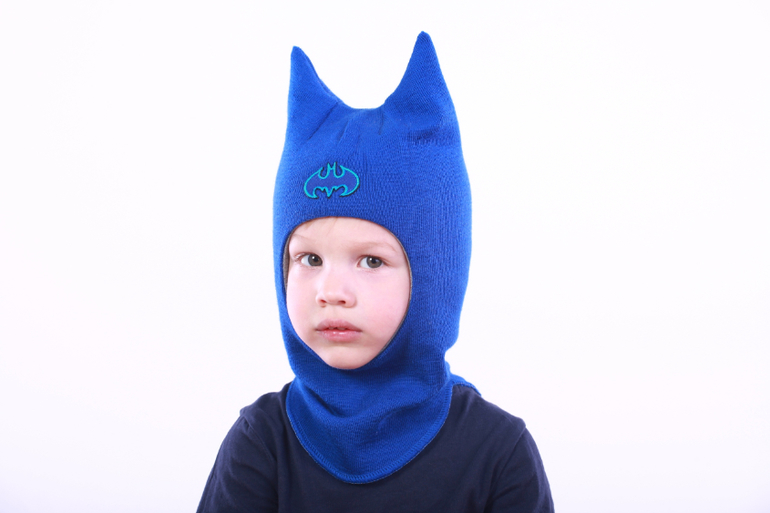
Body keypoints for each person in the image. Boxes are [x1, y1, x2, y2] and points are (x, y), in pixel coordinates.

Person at [197, 32, 554, 512]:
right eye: (309, 259)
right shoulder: (261, 442)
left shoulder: (497, 452)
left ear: (436, 280)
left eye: (371, 261)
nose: (331, 291)